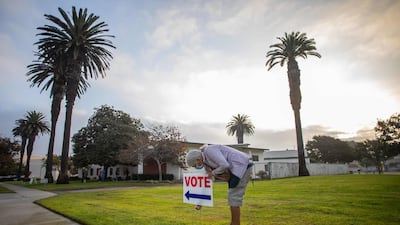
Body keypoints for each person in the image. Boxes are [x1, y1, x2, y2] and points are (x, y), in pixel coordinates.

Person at [185, 144, 253, 225]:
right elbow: (208, 183)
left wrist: (213, 173)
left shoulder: (209, 151)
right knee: (232, 197)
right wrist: (200, 202)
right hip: (235, 169)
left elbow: (225, 165)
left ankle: (235, 223)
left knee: (234, 197)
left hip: (242, 165)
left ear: (198, 159)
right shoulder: (206, 164)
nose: (197, 167)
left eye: (195, 165)